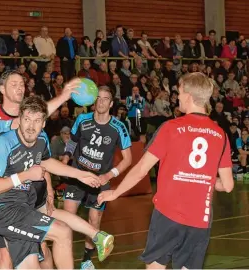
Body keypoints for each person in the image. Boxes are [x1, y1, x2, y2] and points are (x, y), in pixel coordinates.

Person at [0, 97, 115, 269]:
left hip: (24, 205)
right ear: (19, 119)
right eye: (27, 119)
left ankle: (95, 235)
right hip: (3, 210)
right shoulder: (2, 143)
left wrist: (80, 174)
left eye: (37, 121)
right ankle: (95, 234)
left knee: (31, 263)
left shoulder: (39, 138)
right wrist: (26, 175)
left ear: (43, 123)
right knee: (62, 231)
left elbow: (46, 161)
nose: (31, 126)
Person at [98, 72, 234, 269]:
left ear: (188, 95)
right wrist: (200, 178)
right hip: (200, 219)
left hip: (168, 215)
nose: (177, 97)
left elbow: (141, 169)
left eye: (179, 92)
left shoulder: (171, 127)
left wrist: (115, 192)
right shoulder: (220, 134)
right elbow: (228, 185)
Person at [0, 69, 80, 269]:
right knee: (5, 258)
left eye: (22, 84)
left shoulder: (31, 122)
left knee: (42, 250)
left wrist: (49, 186)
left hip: (26, 197)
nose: (20, 88)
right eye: (14, 84)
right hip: (1, 199)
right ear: (1, 89)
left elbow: (42, 155)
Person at [62, 85, 133, 269]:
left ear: (111, 104)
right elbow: (72, 142)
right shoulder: (82, 119)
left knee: (94, 221)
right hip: (78, 176)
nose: (100, 102)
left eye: (105, 99)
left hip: (100, 182)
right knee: (67, 218)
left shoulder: (119, 127)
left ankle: (86, 260)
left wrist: (108, 175)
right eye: (98, 98)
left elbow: (128, 159)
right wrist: (65, 159)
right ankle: (65, 259)